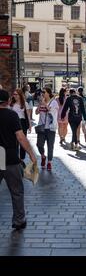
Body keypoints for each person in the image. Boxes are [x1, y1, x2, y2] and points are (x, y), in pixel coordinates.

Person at [0, 89, 37, 230]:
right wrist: (32, 154)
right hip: (9, 156)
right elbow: (21, 137)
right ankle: (19, 220)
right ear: (8, 101)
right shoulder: (12, 115)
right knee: (16, 191)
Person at [36, 87, 59, 171]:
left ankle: (49, 162)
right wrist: (39, 105)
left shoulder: (54, 103)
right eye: (42, 92)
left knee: (50, 145)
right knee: (39, 144)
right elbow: (36, 112)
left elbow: (51, 111)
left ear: (48, 93)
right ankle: (43, 156)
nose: (42, 94)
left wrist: (45, 104)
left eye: (44, 92)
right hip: (41, 127)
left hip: (50, 128)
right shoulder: (41, 101)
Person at [10, 88, 31, 168]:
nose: (14, 96)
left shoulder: (25, 104)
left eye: (16, 94)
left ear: (19, 95)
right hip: (13, 123)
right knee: (15, 142)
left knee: (23, 142)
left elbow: (28, 116)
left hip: (22, 123)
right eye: (14, 94)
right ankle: (16, 158)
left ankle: (22, 159)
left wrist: (29, 125)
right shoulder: (12, 104)